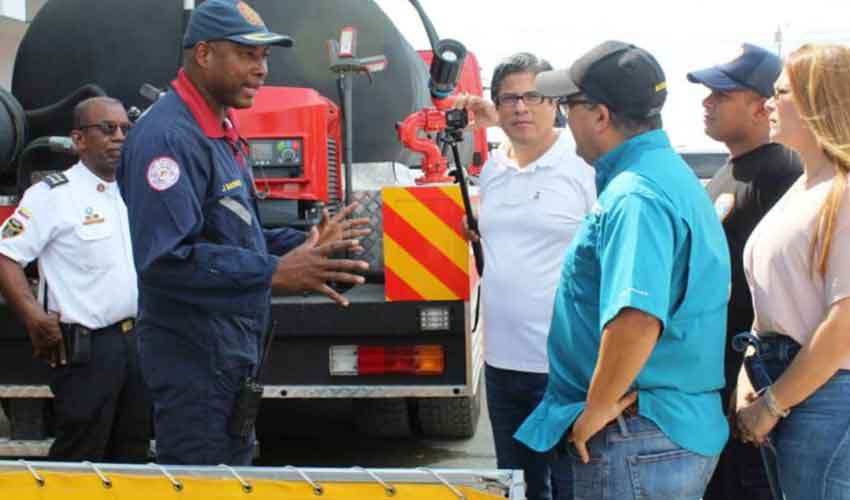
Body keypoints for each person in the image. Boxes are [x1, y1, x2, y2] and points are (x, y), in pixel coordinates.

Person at [118, 0, 369, 465]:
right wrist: (273, 273)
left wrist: (306, 246)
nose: (261, 69)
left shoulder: (218, 128)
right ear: (204, 54)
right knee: (203, 483)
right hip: (194, 358)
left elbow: (234, 235)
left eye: (265, 57)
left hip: (229, 351)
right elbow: (166, 261)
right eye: (248, 55)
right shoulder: (167, 140)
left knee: (234, 475)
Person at [514, 41, 731, 500]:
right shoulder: (662, 175)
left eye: (568, 105)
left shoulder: (636, 195)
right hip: (655, 433)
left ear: (600, 116)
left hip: (635, 435)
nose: (561, 118)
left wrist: (595, 409)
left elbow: (637, 316)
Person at [455, 52, 595, 500]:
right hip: (501, 367)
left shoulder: (583, 168)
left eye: (533, 96)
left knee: (572, 487)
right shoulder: (493, 170)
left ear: (554, 102)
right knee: (517, 488)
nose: (520, 108)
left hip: (562, 368)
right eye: (509, 99)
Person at [0, 96, 150, 462]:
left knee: (132, 453)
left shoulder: (136, 191)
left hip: (138, 345)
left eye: (125, 129)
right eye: (106, 129)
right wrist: (34, 317)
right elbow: (6, 255)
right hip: (88, 352)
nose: (118, 137)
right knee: (81, 455)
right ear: (79, 140)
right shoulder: (52, 195)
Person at [686, 43, 802, 500]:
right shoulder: (727, 174)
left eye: (721, 93)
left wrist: (761, 387)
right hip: (722, 389)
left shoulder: (784, 173)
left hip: (759, 393)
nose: (706, 102)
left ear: (761, 104)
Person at [735, 44, 850, 500]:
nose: (765, 102)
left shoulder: (842, 193)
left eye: (780, 91)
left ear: (817, 100)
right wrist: (752, 378)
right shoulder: (805, 187)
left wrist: (776, 401)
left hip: (823, 394)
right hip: (789, 384)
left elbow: (844, 324)